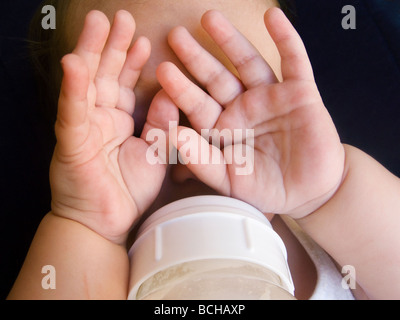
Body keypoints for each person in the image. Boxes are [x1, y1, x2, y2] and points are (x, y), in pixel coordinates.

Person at [8, 0, 400, 300]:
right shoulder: (86, 272)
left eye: (239, 104)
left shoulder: (346, 246)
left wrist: (331, 192)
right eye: (144, 123)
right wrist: (85, 225)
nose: (194, 155)